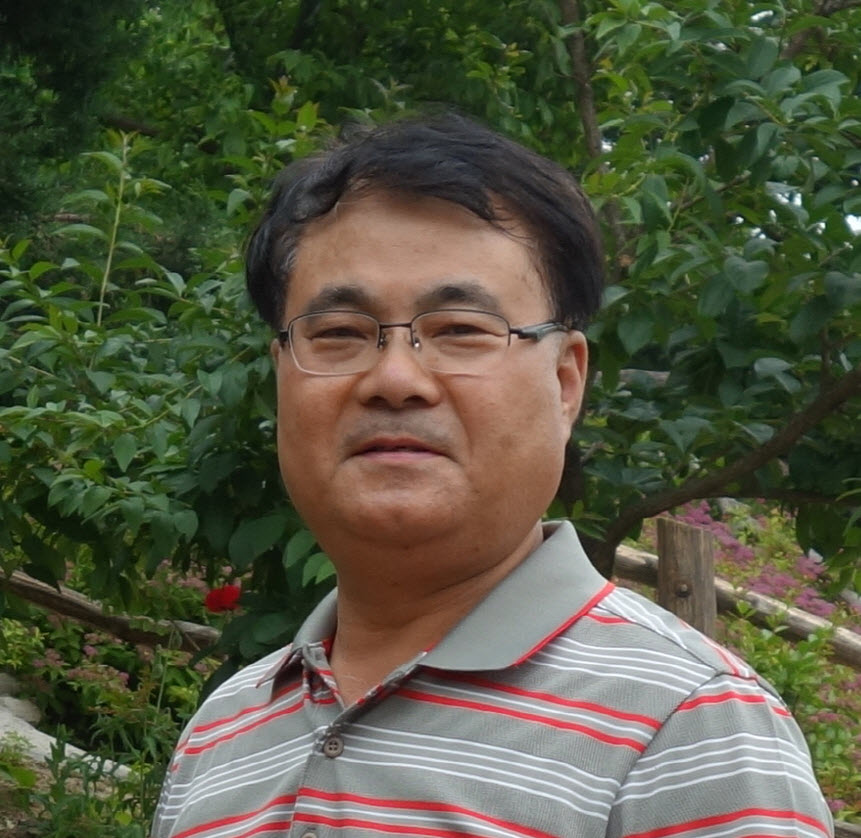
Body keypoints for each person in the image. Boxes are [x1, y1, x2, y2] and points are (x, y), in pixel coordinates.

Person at [152, 114, 834, 838]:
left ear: (565, 382)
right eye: (340, 333)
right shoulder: (221, 733)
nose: (394, 380)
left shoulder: (691, 726)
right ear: (281, 374)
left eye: (460, 331)